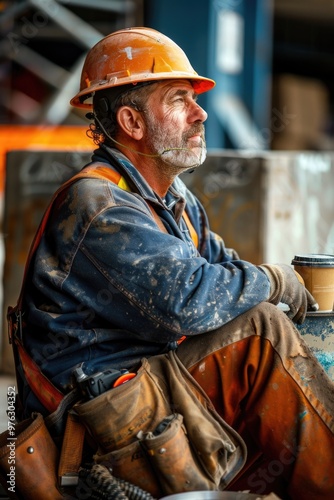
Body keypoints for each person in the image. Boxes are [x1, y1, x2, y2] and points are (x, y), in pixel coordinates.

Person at [18, 27, 334, 499]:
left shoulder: (173, 200)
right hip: (97, 415)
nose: (200, 112)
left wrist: (291, 295)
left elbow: (221, 275)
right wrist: (272, 281)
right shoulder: (99, 204)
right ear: (132, 121)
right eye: (179, 99)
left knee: (285, 333)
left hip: (152, 384)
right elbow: (187, 301)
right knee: (259, 334)